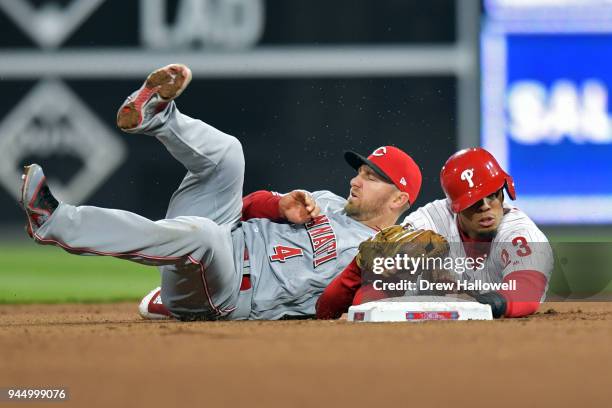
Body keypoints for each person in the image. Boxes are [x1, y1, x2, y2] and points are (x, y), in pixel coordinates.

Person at [19, 63, 422, 321]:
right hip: (225, 236)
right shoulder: (329, 202)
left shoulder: (382, 257)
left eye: (372, 177)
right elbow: (244, 206)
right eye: (360, 171)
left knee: (204, 235)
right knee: (228, 153)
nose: (356, 180)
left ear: (398, 199)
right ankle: (157, 116)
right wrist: (279, 206)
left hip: (226, 292)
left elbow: (327, 310)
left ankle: (53, 221)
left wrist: (360, 269)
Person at [316, 147, 553, 319]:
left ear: (505, 190)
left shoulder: (519, 233)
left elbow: (526, 290)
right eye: (473, 201)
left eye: (493, 194)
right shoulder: (430, 221)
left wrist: (479, 303)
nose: (485, 206)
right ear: (454, 206)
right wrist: (359, 268)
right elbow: (335, 306)